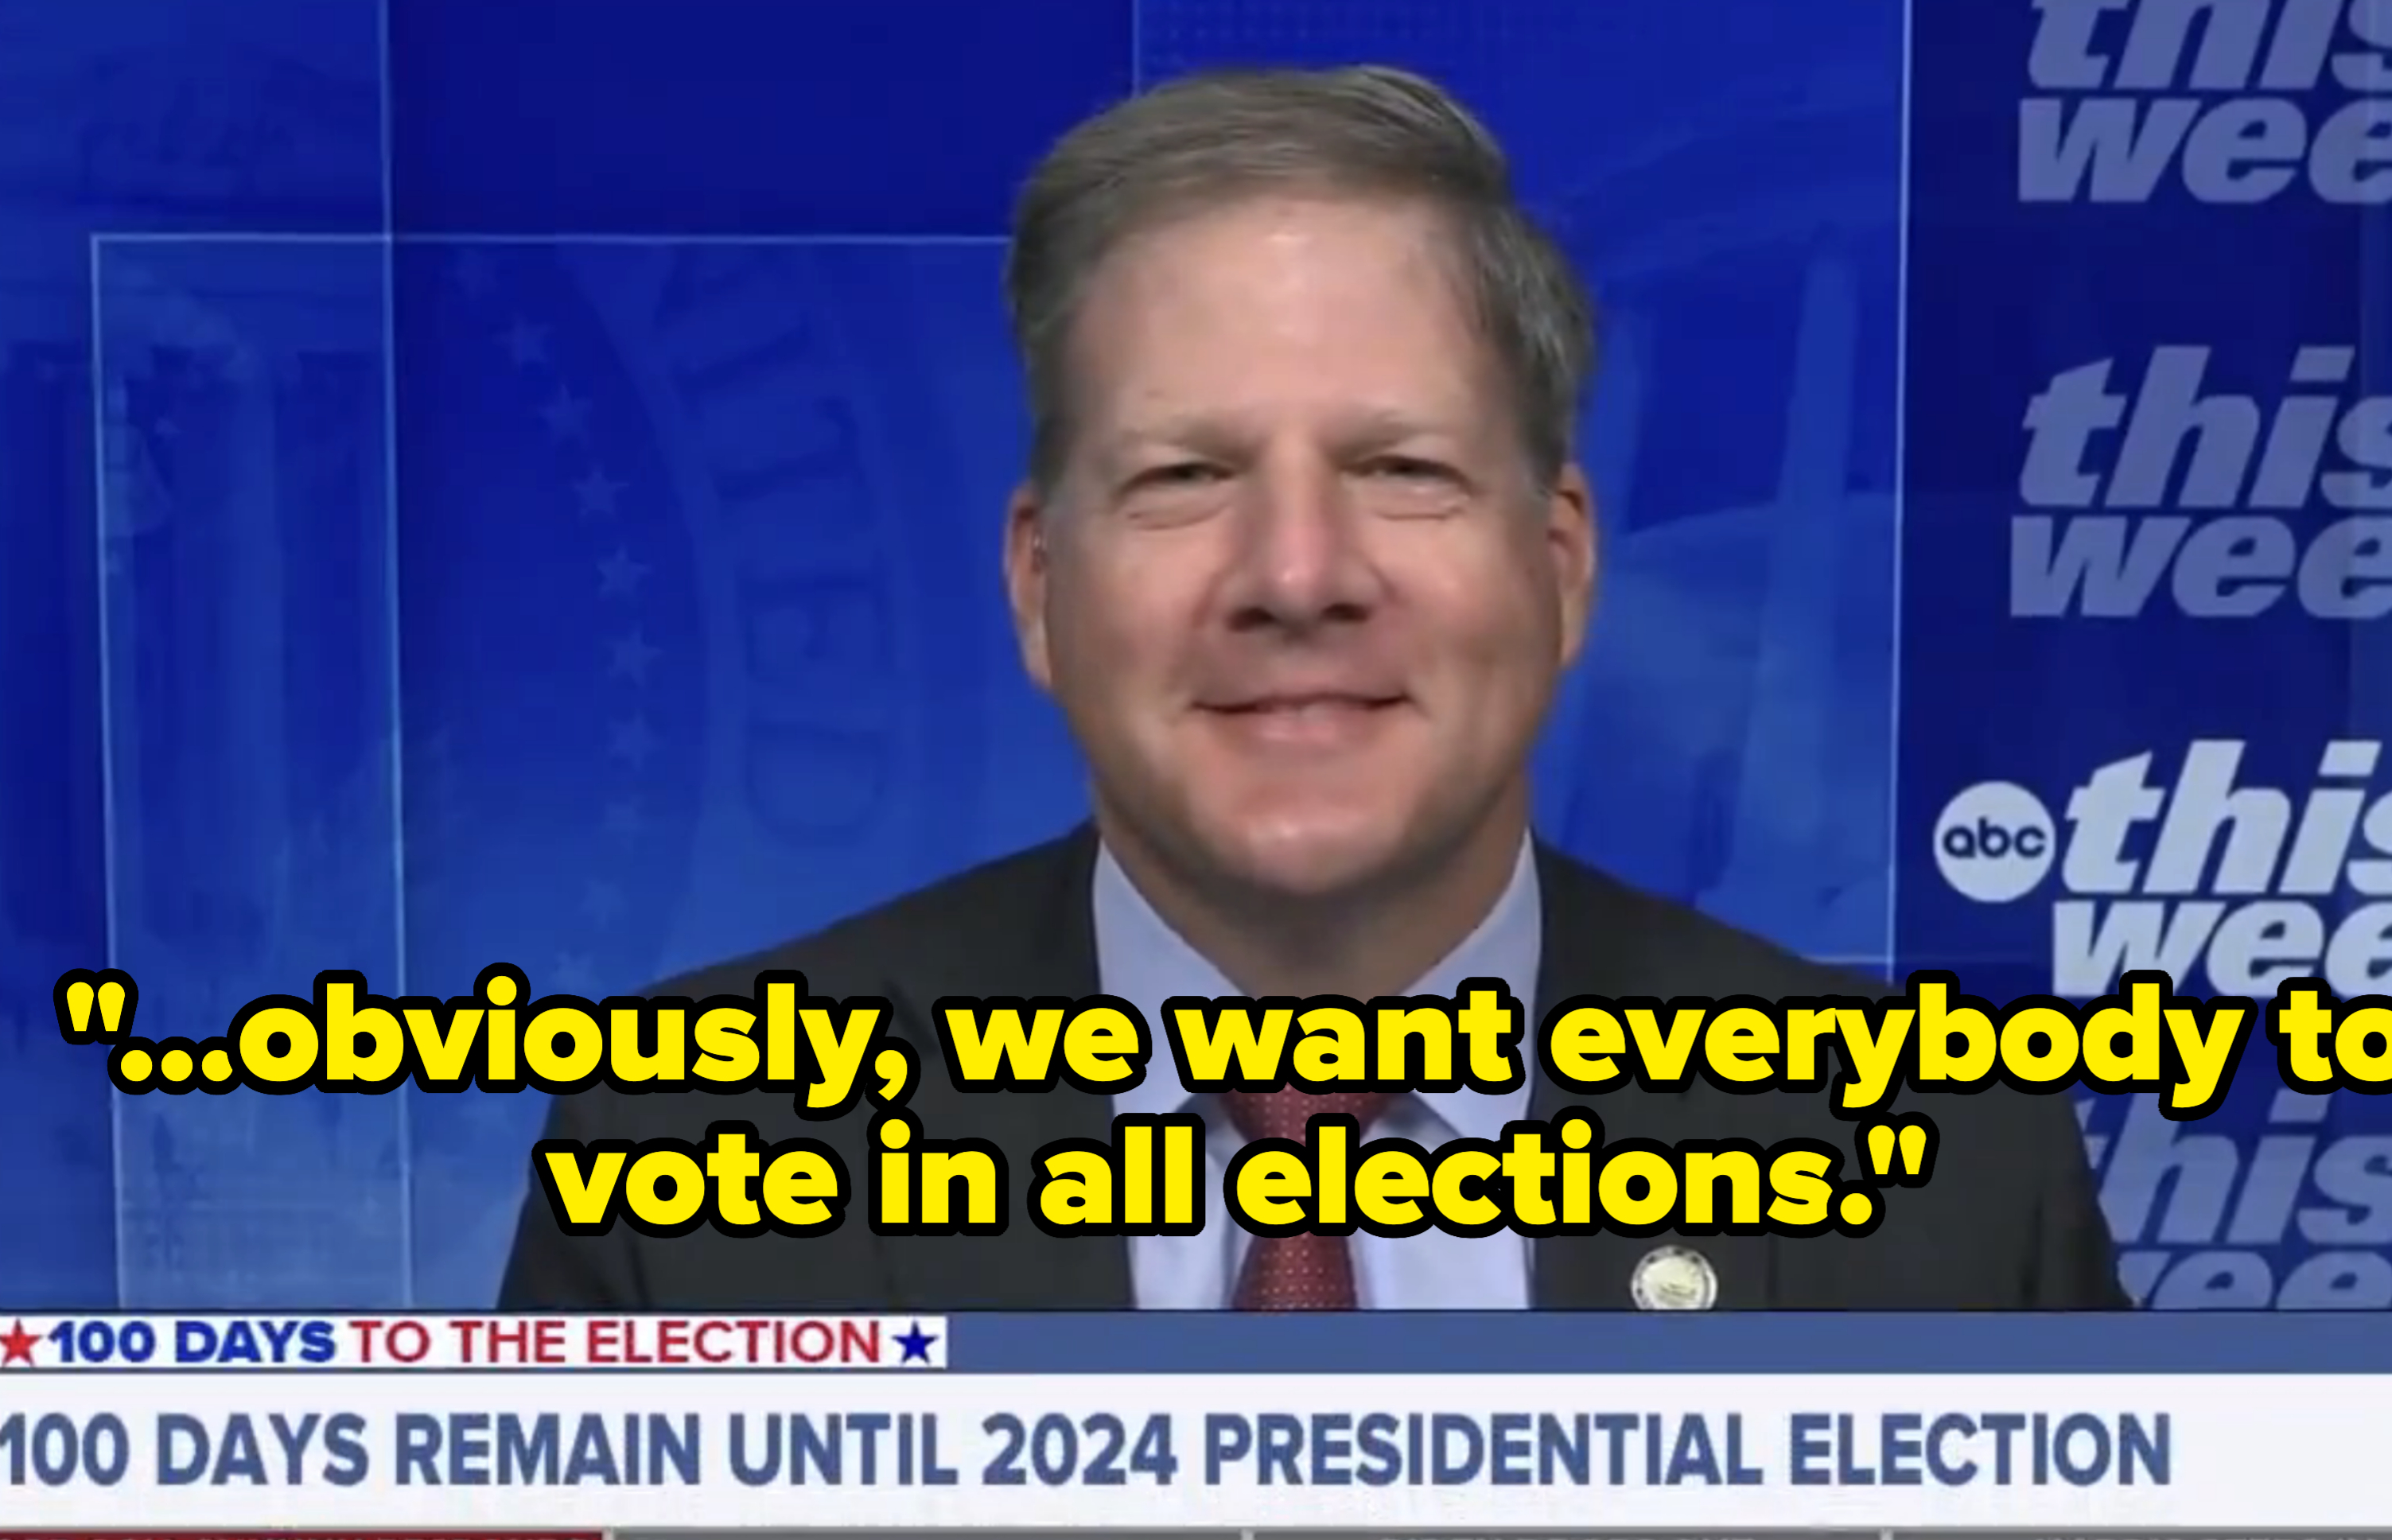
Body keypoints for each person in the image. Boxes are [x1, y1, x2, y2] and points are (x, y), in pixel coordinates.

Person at [500, 64, 2126, 1314]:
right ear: (1039, 585)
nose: (1296, 572)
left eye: (1403, 467)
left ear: (1559, 567)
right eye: (1189, 472)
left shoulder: (1948, 1170)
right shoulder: (687, 1154)